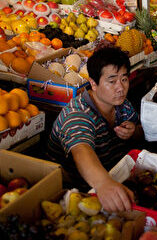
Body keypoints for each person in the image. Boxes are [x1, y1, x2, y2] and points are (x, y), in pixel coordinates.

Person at [47, 47, 142, 212]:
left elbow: (141, 133)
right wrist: (103, 183)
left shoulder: (122, 105)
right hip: (77, 193)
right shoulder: (78, 114)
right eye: (112, 81)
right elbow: (81, 150)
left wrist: (134, 132)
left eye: (124, 79)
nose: (120, 88)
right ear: (93, 83)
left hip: (115, 178)